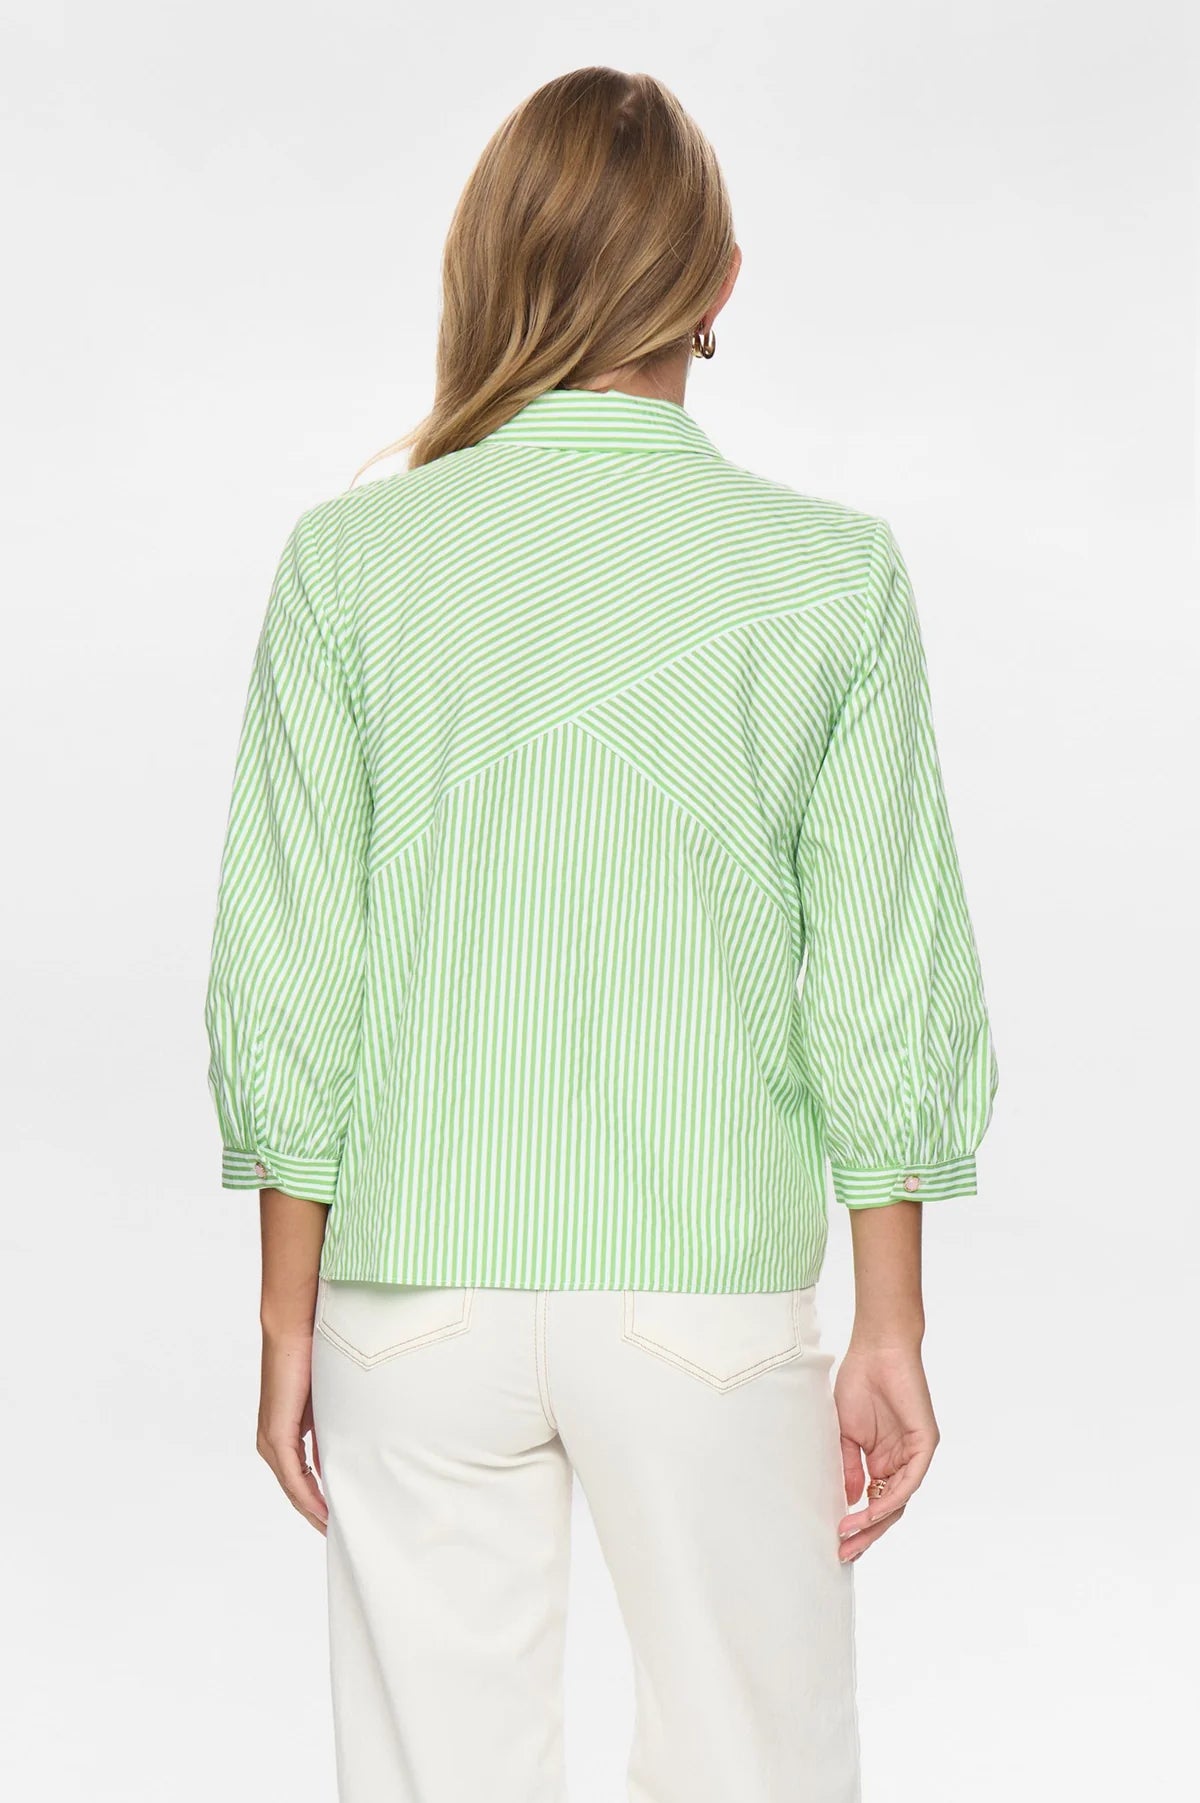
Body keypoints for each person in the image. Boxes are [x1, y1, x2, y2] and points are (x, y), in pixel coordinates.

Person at [203, 64, 998, 1803]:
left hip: (411, 1283)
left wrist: (284, 1314)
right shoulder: (830, 574)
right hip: (703, 1284)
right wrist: (891, 1322)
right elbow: (882, 977)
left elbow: (291, 968)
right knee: (757, 1769)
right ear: (719, 285)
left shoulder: (350, 564)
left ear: (489, 261)